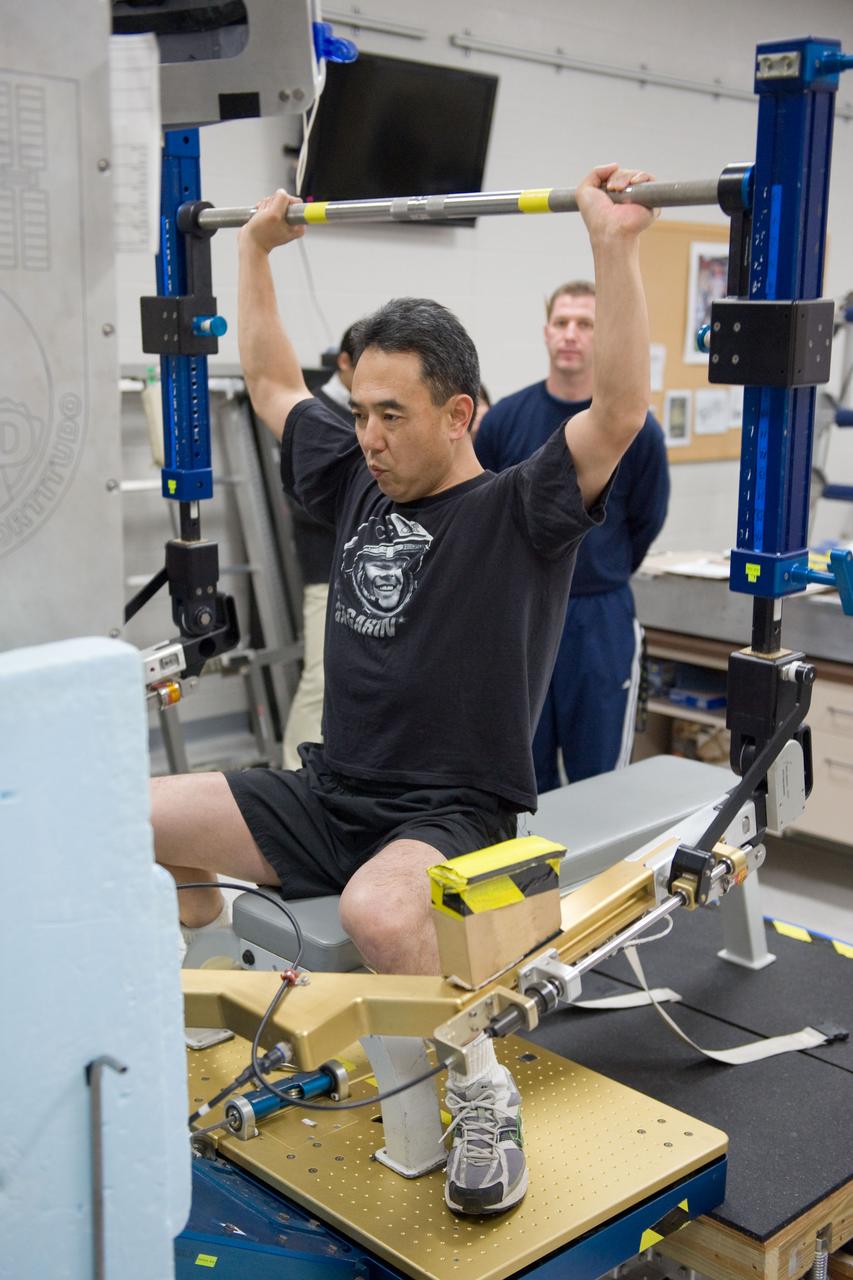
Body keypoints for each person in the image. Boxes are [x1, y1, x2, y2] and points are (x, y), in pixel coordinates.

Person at [150, 163, 658, 1217]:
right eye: (363, 411)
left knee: (377, 912)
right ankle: (193, 939)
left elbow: (616, 409)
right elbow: (278, 385)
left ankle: (481, 1082)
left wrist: (611, 247)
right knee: (137, 813)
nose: (369, 435)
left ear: (459, 411)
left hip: (447, 810)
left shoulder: (522, 508)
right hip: (333, 789)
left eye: (392, 413)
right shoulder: (354, 472)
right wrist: (252, 254)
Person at [475, 282, 669, 792]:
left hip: (599, 619)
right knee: (520, 777)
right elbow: (485, 515)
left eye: (585, 324)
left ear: (603, 337)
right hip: (521, 614)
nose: (571, 335)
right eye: (561, 322)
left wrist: (600, 569)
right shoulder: (504, 422)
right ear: (545, 332)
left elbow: (646, 518)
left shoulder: (636, 429)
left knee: (601, 781)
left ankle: (599, 875)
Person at [282, 326, 357, 769]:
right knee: (320, 676)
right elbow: (301, 496)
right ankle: (294, 772)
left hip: (364, 573)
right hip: (325, 572)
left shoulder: (359, 410)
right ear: (343, 363)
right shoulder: (314, 412)